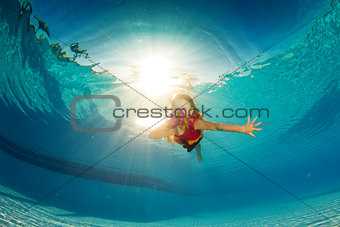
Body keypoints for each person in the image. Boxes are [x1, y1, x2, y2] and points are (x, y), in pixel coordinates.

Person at [148, 93, 262, 163]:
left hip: (195, 137)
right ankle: (194, 148)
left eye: (184, 107)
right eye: (177, 108)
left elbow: (217, 126)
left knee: (197, 145)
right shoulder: (170, 123)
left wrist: (241, 129)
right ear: (172, 109)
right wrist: (173, 130)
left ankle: (198, 152)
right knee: (185, 144)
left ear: (191, 110)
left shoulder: (196, 123)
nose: (180, 111)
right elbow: (152, 135)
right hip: (181, 139)